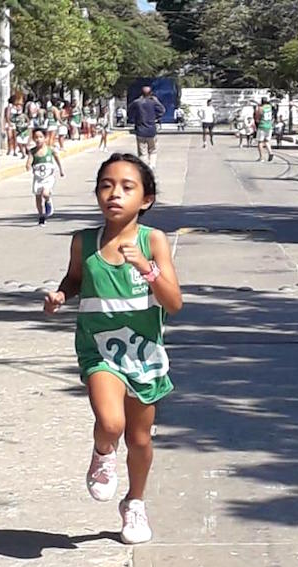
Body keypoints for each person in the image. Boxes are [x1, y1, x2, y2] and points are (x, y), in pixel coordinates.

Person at [42, 153, 183, 545]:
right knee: (112, 423)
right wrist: (60, 296)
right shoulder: (84, 241)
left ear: (147, 199)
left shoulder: (152, 241)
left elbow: (173, 303)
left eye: (126, 187)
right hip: (98, 350)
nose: (114, 194)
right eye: (106, 185)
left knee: (140, 440)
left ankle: (134, 502)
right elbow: (74, 279)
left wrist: (148, 269)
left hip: (144, 354)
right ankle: (103, 452)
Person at [26, 127, 65, 226]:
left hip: (48, 177)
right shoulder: (33, 151)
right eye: (36, 137)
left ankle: (48, 201)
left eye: (40, 137)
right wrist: (28, 166)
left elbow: (57, 159)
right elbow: (29, 163)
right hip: (38, 178)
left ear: (45, 138)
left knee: (45, 193)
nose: (38, 139)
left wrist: (61, 170)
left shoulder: (50, 150)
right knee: (38, 197)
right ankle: (41, 216)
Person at [128, 86, 165, 170]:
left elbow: (130, 110)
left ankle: (144, 167)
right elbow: (162, 110)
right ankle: (152, 165)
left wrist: (135, 118)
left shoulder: (137, 102)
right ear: (151, 93)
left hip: (140, 130)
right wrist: (156, 117)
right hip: (151, 130)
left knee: (142, 152)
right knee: (152, 150)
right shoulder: (153, 102)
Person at [254, 97, 274, 162]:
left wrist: (257, 108)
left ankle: (261, 157)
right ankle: (270, 152)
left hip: (262, 125)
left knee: (260, 142)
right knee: (267, 141)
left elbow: (257, 117)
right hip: (269, 125)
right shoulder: (269, 107)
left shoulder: (260, 108)